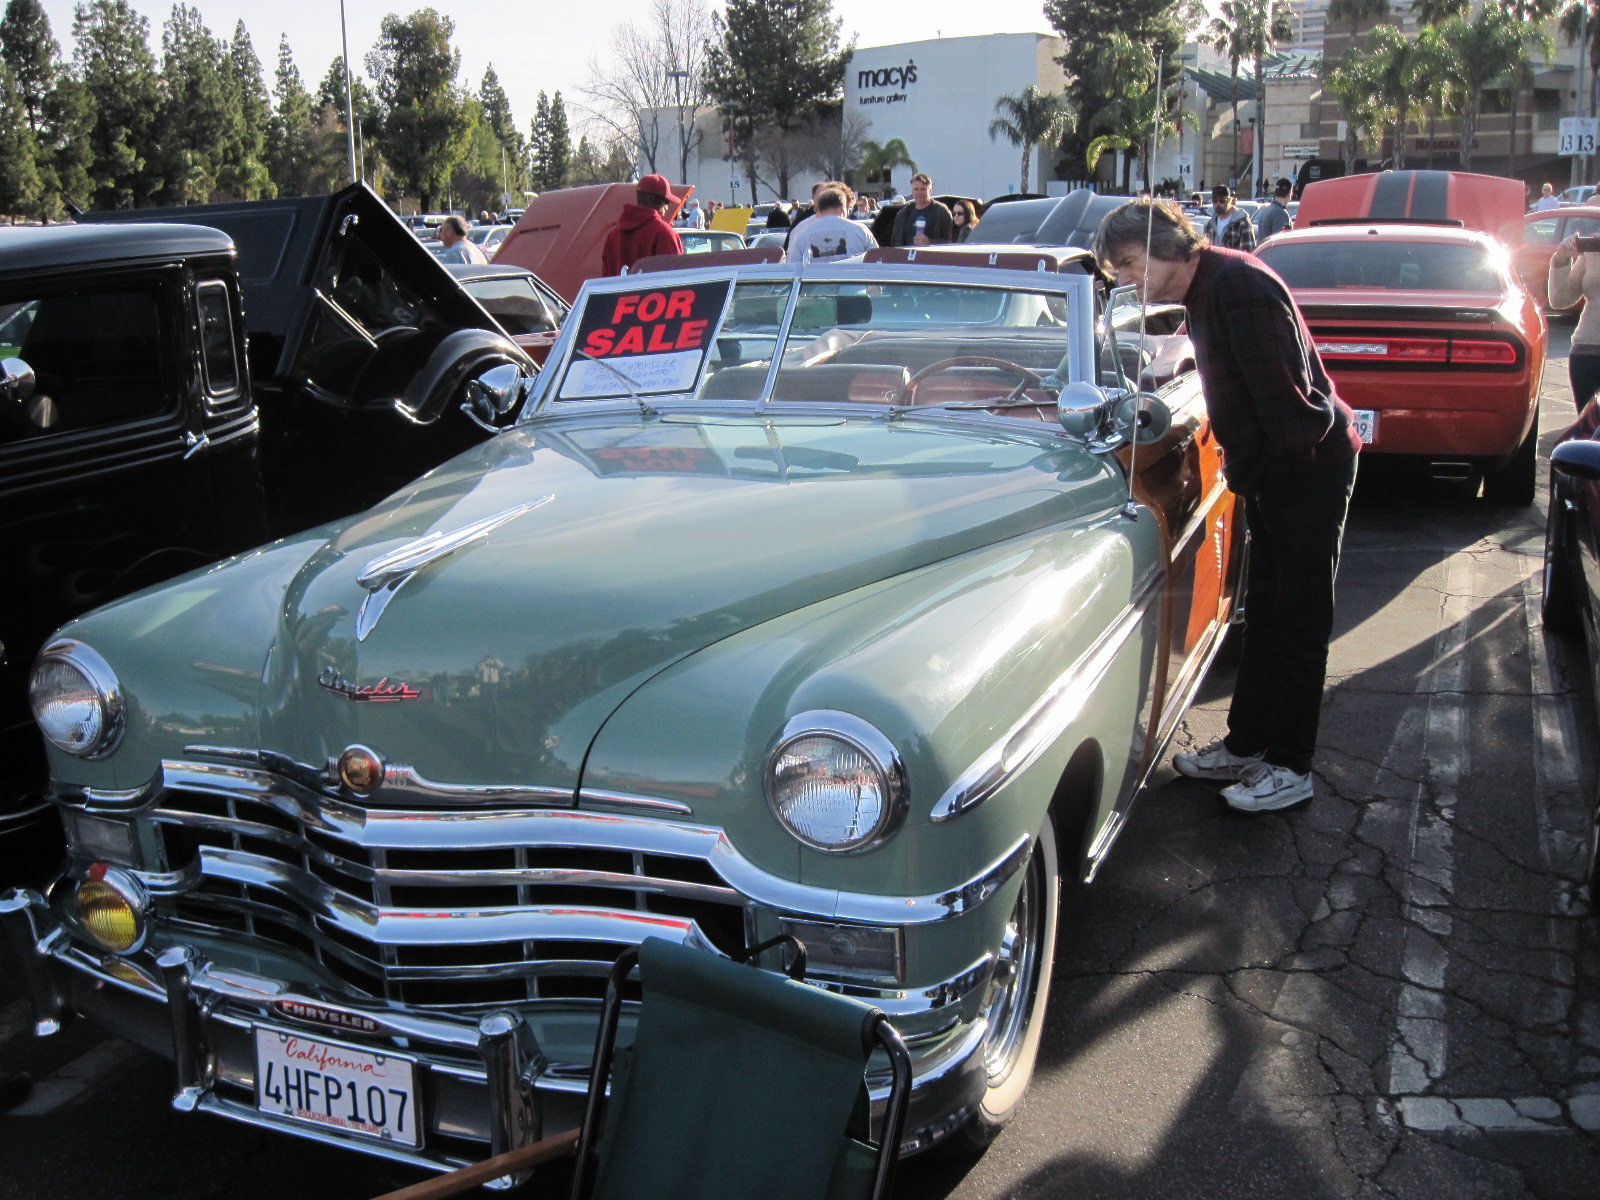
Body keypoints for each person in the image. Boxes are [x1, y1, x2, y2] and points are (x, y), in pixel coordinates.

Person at [1094, 198, 1362, 812]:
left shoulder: (1236, 288)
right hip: (1276, 474)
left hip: (1305, 471)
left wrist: (1257, 479)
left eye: (1132, 262)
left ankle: (1292, 766)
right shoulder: (1206, 289)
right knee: (1264, 614)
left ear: (1168, 244)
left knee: (1296, 620)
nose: (1128, 279)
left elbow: (1291, 416)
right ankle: (1247, 747)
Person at [1549, 233, 1600, 407]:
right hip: (1587, 354)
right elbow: (1560, 299)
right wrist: (1562, 259)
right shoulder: (1594, 247)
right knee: (1588, 430)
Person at [601, 174, 686, 275]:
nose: (667, 208)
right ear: (656, 200)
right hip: (654, 291)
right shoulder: (664, 233)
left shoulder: (613, 235)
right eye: (666, 202)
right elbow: (675, 277)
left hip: (619, 291)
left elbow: (606, 278)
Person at [785, 186, 878, 263]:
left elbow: (792, 268)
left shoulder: (803, 234)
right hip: (854, 284)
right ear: (842, 207)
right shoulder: (861, 230)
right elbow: (877, 260)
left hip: (816, 284)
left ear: (819, 209)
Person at [891, 173, 955, 247]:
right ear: (912, 191)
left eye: (923, 189)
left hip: (931, 257)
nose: (919, 193)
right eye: (916, 189)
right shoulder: (902, 214)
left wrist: (930, 242)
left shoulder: (942, 212)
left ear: (930, 191)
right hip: (906, 257)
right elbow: (895, 242)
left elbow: (949, 243)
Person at [1204, 184, 1257, 252]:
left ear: (1230, 200)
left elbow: (1248, 253)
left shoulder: (1242, 223)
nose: (1218, 204)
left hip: (1235, 262)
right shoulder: (1209, 225)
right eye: (1215, 200)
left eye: (1222, 200)